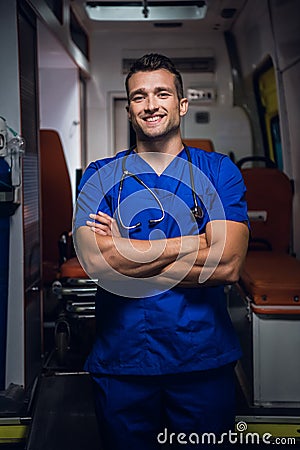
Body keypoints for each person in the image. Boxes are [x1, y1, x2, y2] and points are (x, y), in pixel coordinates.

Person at [73, 53, 249, 449]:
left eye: (162, 94)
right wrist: (196, 242)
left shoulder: (219, 171)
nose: (150, 104)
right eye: (139, 97)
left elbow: (227, 264)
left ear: (181, 104)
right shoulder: (100, 176)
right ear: (130, 109)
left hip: (201, 363)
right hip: (123, 363)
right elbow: (99, 264)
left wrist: (130, 251)